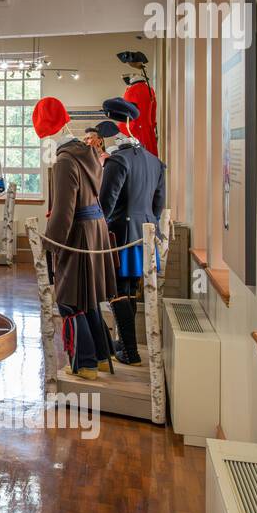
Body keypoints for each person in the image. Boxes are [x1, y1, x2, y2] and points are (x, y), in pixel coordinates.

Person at [33, 97, 116, 381]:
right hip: (96, 230)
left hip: (78, 234)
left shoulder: (65, 160)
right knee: (88, 297)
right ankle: (103, 356)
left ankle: (85, 363)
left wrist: (49, 245)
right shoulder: (89, 151)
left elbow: (64, 211)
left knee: (70, 299)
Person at [98, 98, 166, 365]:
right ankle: (128, 346)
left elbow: (106, 204)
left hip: (122, 233)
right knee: (131, 291)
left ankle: (129, 350)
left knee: (118, 292)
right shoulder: (154, 161)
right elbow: (158, 204)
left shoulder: (118, 161)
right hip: (146, 234)